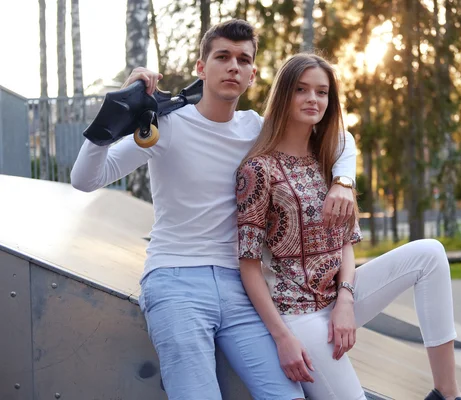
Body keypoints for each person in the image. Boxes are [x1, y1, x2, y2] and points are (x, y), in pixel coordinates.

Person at [71, 20, 358, 400]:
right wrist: (115, 114)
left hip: (240, 287)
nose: (233, 66)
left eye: (243, 59)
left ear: (253, 74)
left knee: (287, 396)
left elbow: (340, 137)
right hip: (175, 282)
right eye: (222, 56)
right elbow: (85, 178)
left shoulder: (257, 128)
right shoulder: (167, 126)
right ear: (201, 67)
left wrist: (343, 181)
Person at [236, 53, 461, 400]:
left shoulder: (330, 158)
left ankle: (447, 394)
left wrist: (346, 300)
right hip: (297, 312)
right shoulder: (257, 169)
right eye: (301, 90)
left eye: (322, 92)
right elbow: (249, 265)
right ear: (284, 94)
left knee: (430, 254)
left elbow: (344, 240)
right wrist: (283, 337)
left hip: (340, 296)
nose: (313, 99)